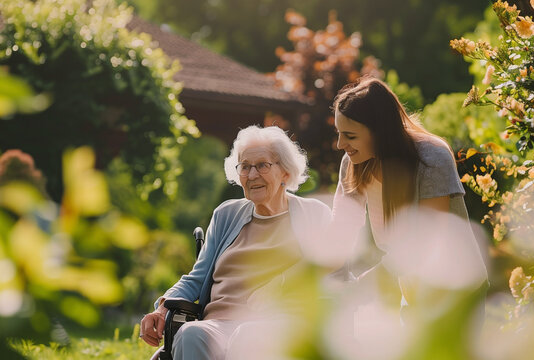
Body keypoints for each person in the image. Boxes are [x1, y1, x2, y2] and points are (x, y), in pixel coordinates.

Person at [139, 125, 332, 359]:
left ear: (286, 172)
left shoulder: (314, 215)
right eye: (245, 167)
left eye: (262, 165)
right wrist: (163, 308)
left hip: (278, 325)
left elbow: (331, 273)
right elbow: (196, 278)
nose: (252, 175)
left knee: (248, 335)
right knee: (191, 333)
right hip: (218, 326)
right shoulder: (226, 215)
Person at [328, 77, 488, 355]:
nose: (341, 144)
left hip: (455, 291)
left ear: (380, 132)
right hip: (412, 290)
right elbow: (338, 234)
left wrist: (361, 287)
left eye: (350, 136)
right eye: (339, 133)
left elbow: (425, 242)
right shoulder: (353, 163)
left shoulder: (431, 158)